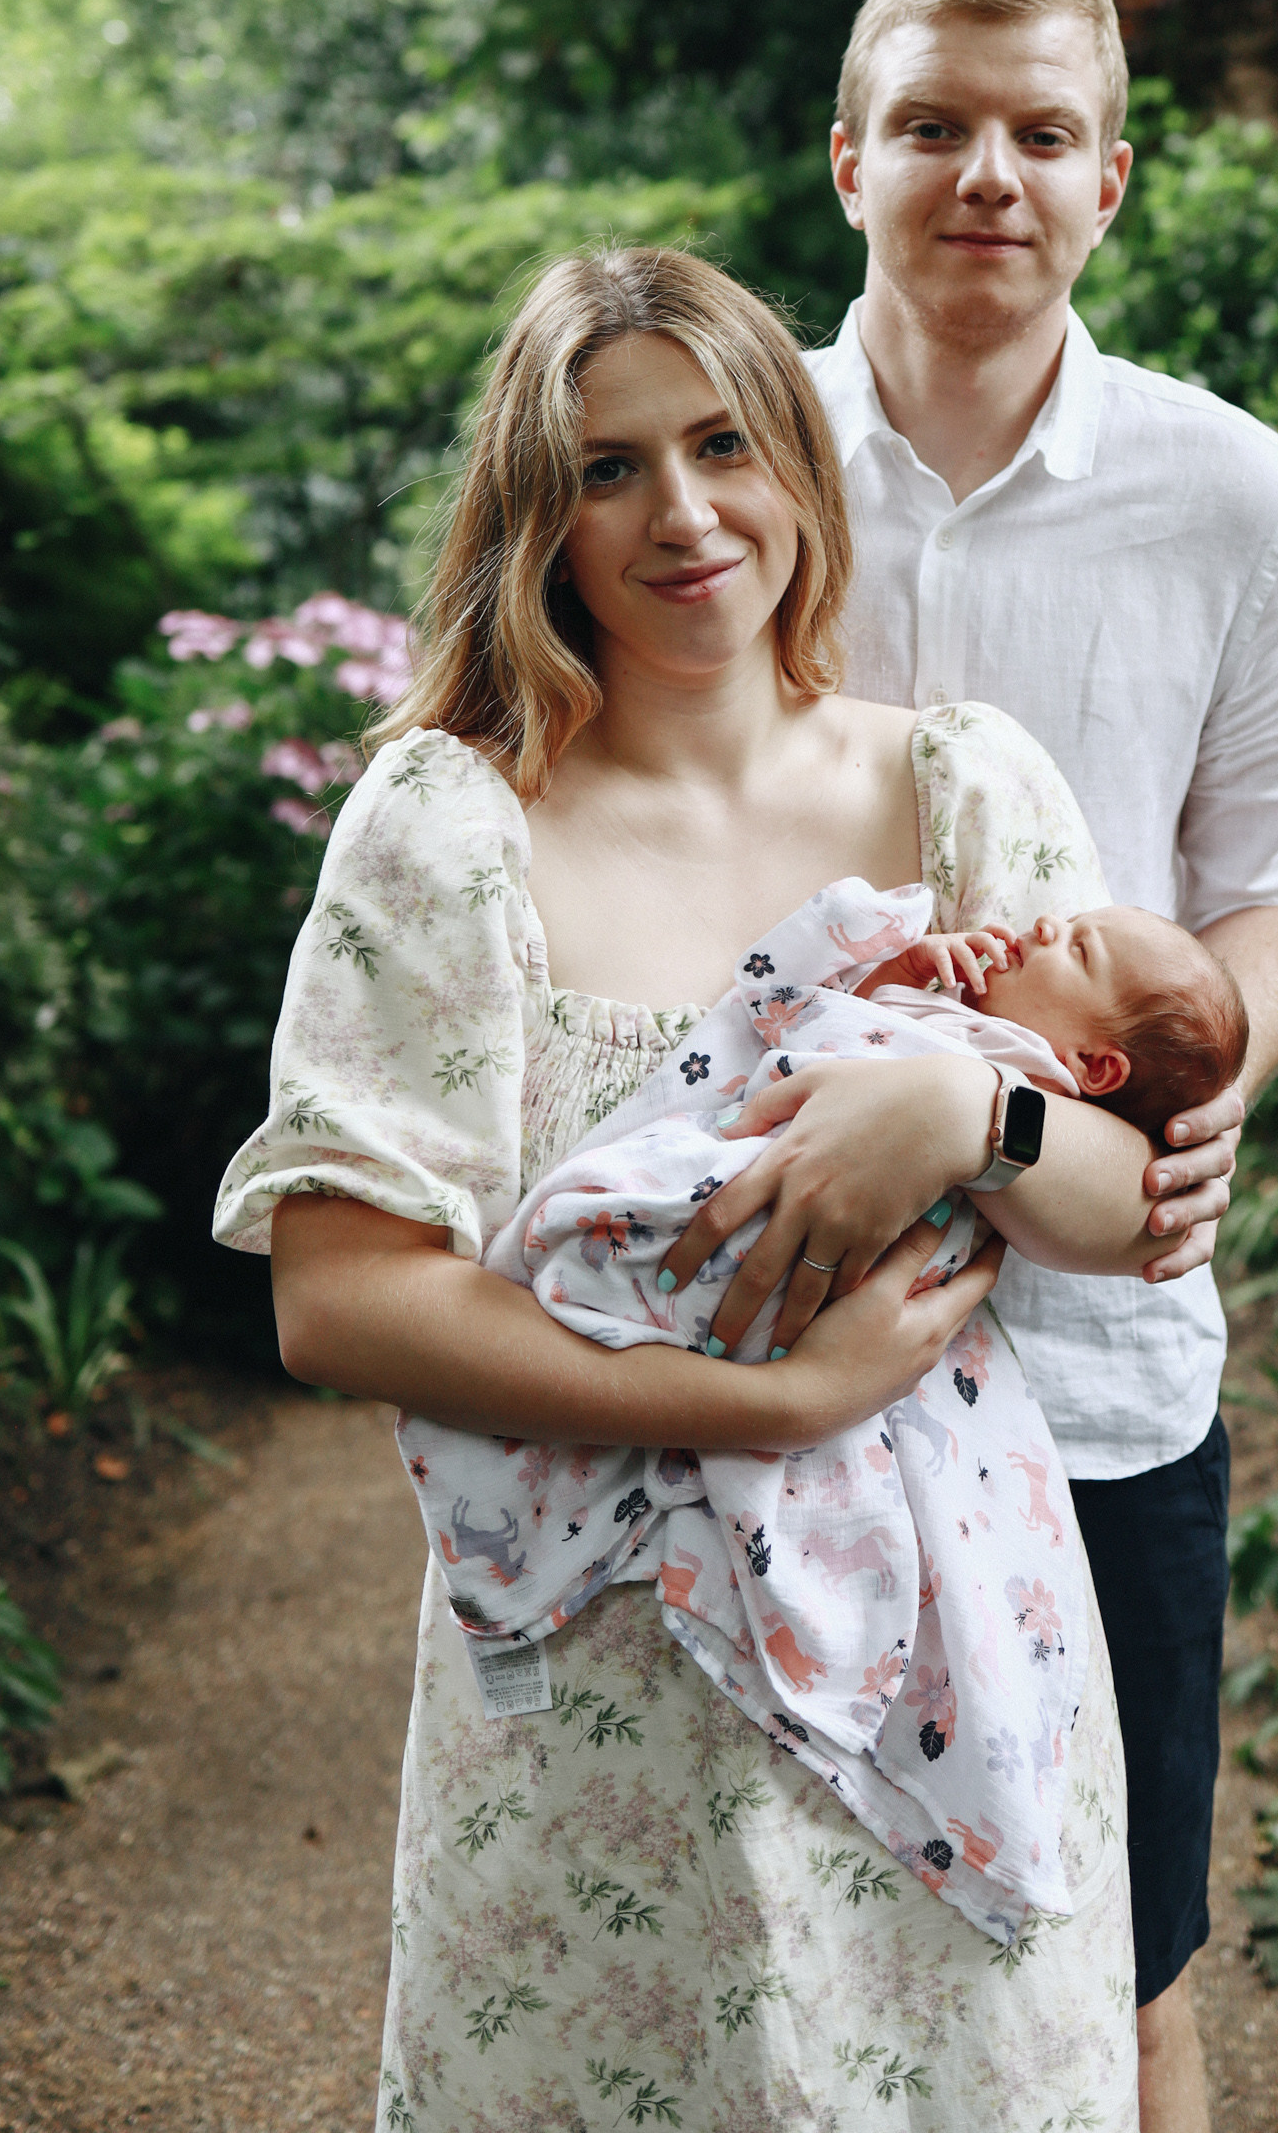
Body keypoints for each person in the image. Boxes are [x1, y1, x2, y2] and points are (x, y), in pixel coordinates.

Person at [215, 245, 1199, 2128]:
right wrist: (777, 1401)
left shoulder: (958, 786)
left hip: (946, 1652)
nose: (683, 513)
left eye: (725, 444)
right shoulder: (452, 824)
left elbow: (1126, 1209)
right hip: (606, 1710)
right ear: (539, 518)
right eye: (607, 468)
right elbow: (339, 1298)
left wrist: (956, 1115)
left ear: (800, 473)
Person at [678, 0, 1278, 2133]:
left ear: (1110, 181)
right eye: (941, 128)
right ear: (847, 155)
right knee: (765, 1981)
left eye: (1040, 133)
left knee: (1122, 1979)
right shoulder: (711, 472)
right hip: (767, 1318)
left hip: (1094, 1357)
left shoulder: (1232, 492)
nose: (992, 173)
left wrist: (1204, 1065)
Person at [387, 884, 1247, 1954]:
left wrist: (955, 1108)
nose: (1036, 927)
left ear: (1097, 1067)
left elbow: (1131, 1209)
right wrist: (909, 972)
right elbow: (825, 1021)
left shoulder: (1022, 1075)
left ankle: (625, 1276)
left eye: (1070, 946)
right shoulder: (961, 995)